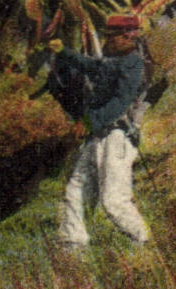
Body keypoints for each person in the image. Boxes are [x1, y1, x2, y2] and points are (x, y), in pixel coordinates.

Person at [47, 14, 152, 250]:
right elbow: (90, 66)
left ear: (127, 37)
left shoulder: (134, 64)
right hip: (98, 136)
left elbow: (120, 102)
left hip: (117, 137)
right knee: (76, 190)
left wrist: (88, 122)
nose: (107, 41)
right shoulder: (113, 62)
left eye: (111, 37)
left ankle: (142, 243)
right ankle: (73, 244)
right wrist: (64, 51)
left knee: (114, 201)